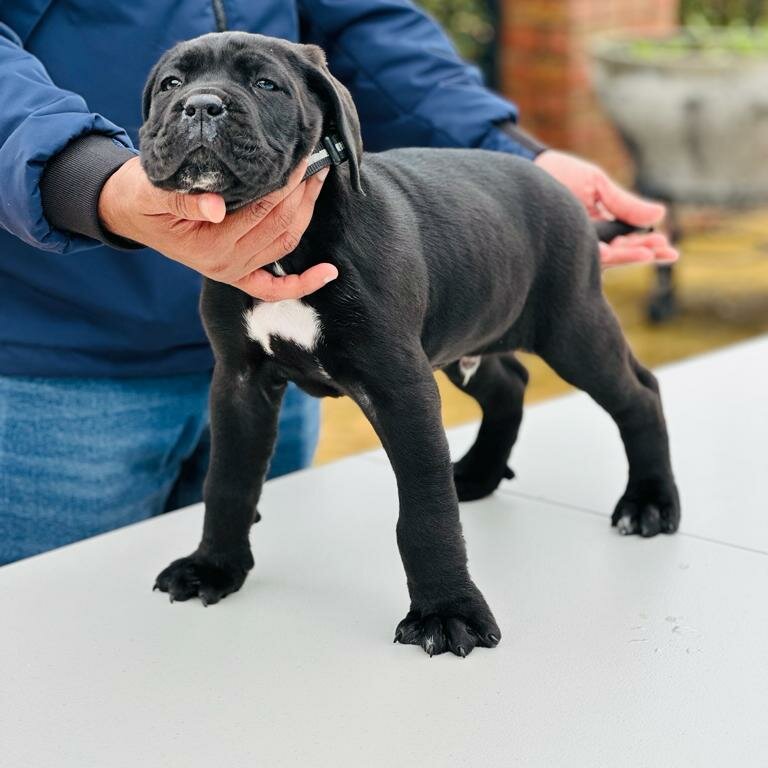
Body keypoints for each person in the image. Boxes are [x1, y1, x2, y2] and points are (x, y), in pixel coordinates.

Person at [0, 0, 677, 566]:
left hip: (298, 331)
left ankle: (645, 469)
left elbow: (369, 26)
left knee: (271, 631)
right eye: (176, 86)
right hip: (55, 355)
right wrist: (81, 174)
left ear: (333, 120)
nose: (203, 104)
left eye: (262, 84)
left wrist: (517, 159)